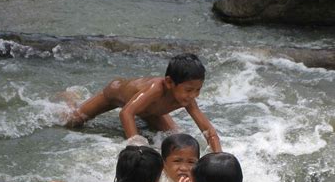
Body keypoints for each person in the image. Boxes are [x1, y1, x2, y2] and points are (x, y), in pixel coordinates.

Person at [64, 53, 222, 152]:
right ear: (169, 82)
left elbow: (208, 130)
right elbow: (126, 113)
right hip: (114, 94)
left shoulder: (188, 99)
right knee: (74, 121)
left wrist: (218, 154)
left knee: (174, 137)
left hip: (150, 110)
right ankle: (69, 97)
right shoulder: (156, 89)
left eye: (198, 89)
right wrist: (137, 144)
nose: (193, 95)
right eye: (189, 90)